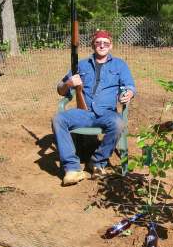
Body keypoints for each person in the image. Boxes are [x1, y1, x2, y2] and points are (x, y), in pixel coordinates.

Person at [53, 30, 136, 186]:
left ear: (110, 45)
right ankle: (72, 169)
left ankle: (97, 162)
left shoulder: (120, 64)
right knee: (59, 119)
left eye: (105, 43)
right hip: (83, 113)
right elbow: (60, 89)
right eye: (98, 42)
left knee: (118, 124)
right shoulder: (81, 64)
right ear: (93, 45)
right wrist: (68, 84)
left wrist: (129, 93)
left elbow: (129, 85)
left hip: (107, 113)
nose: (102, 45)